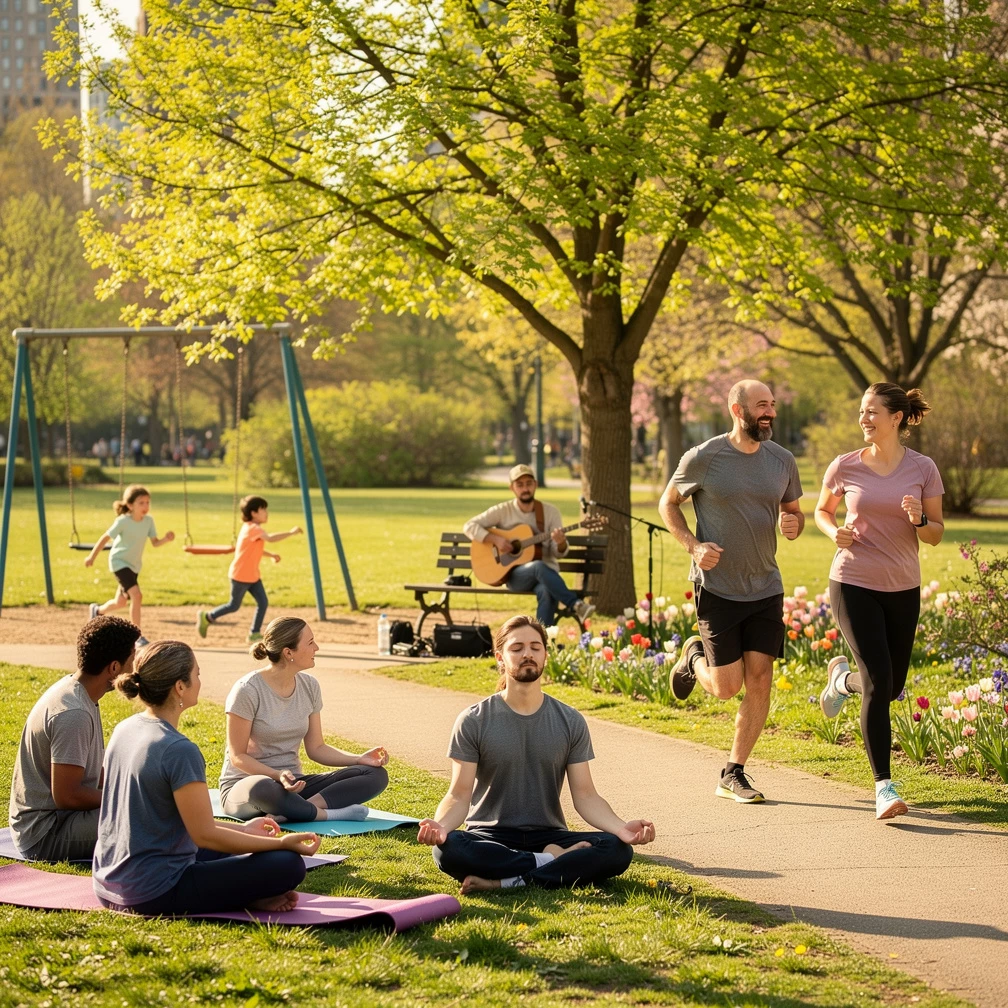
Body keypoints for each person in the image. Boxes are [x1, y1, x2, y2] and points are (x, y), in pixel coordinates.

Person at [418, 614, 655, 893]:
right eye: (517, 648)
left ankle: (507, 881)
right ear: (500, 658)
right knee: (449, 850)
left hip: (550, 835)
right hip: (490, 835)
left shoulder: (570, 720)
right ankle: (550, 863)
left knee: (616, 849)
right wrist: (441, 827)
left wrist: (621, 828)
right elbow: (459, 795)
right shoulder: (473, 720)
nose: (527, 654)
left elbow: (586, 796)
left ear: (545, 655)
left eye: (535, 647)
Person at [93, 640, 320, 915]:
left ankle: (250, 895)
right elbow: (204, 835)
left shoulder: (125, 729)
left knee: (250, 849)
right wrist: (280, 843)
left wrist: (244, 831)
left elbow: (190, 823)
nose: (200, 681)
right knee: (287, 864)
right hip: (153, 892)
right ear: (180, 687)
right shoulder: (179, 750)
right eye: (197, 674)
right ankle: (248, 894)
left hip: (109, 882)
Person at [659, 379, 804, 804]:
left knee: (760, 679)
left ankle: (733, 772)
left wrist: (793, 524)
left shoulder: (782, 460)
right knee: (725, 687)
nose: (769, 412)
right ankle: (693, 657)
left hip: (765, 585)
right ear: (738, 411)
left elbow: (793, 512)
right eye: (761, 405)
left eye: (772, 404)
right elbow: (668, 503)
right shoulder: (704, 457)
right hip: (718, 587)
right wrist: (694, 546)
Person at [815, 383, 944, 820]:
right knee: (878, 679)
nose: (864, 418)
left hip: (903, 586)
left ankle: (841, 682)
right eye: (861, 411)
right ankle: (884, 788)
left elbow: (936, 533)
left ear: (896, 418)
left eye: (872, 411)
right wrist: (834, 532)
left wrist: (919, 519)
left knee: (891, 686)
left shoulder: (923, 468)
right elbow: (822, 511)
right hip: (853, 581)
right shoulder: (845, 465)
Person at [218, 617, 391, 822]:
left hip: (294, 786)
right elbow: (238, 757)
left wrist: (358, 758)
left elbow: (317, 748)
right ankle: (328, 814)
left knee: (375, 775)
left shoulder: (309, 686)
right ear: (288, 653)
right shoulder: (247, 690)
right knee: (264, 788)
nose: (316, 647)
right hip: (247, 787)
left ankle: (298, 810)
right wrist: (277, 775)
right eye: (310, 642)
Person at [8, 616, 140, 862]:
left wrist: (130, 785)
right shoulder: (74, 713)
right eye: (132, 660)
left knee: (148, 805)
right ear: (114, 668)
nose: (135, 669)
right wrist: (123, 796)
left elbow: (90, 772)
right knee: (145, 816)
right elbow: (67, 795)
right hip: (46, 833)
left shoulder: (80, 692)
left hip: (59, 820)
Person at [463, 463, 594, 627]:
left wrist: (560, 543)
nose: (525, 489)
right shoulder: (503, 510)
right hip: (515, 576)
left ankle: (544, 639)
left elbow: (557, 553)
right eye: (520, 485)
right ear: (512, 488)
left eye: (529, 484)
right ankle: (576, 604)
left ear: (535, 485)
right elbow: (469, 526)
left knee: (546, 592)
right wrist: (495, 539)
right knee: (538, 566)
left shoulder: (550, 512)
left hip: (548, 575)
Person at [196, 495, 302, 644]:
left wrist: (271, 555)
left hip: (252, 576)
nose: (267, 513)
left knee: (263, 602)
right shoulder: (253, 528)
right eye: (263, 510)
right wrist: (291, 532)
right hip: (240, 575)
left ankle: (254, 633)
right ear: (253, 513)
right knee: (233, 606)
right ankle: (207, 617)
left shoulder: (251, 528)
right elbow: (270, 538)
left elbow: (253, 549)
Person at [86, 484, 174, 647]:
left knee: (120, 602)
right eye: (141, 503)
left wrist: (166, 539)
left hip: (134, 566)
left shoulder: (148, 521)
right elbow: (105, 538)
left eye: (147, 502)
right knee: (137, 595)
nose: (145, 506)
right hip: (119, 562)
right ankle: (137, 636)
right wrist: (92, 557)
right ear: (130, 505)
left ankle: (97, 611)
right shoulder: (123, 521)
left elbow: (155, 543)